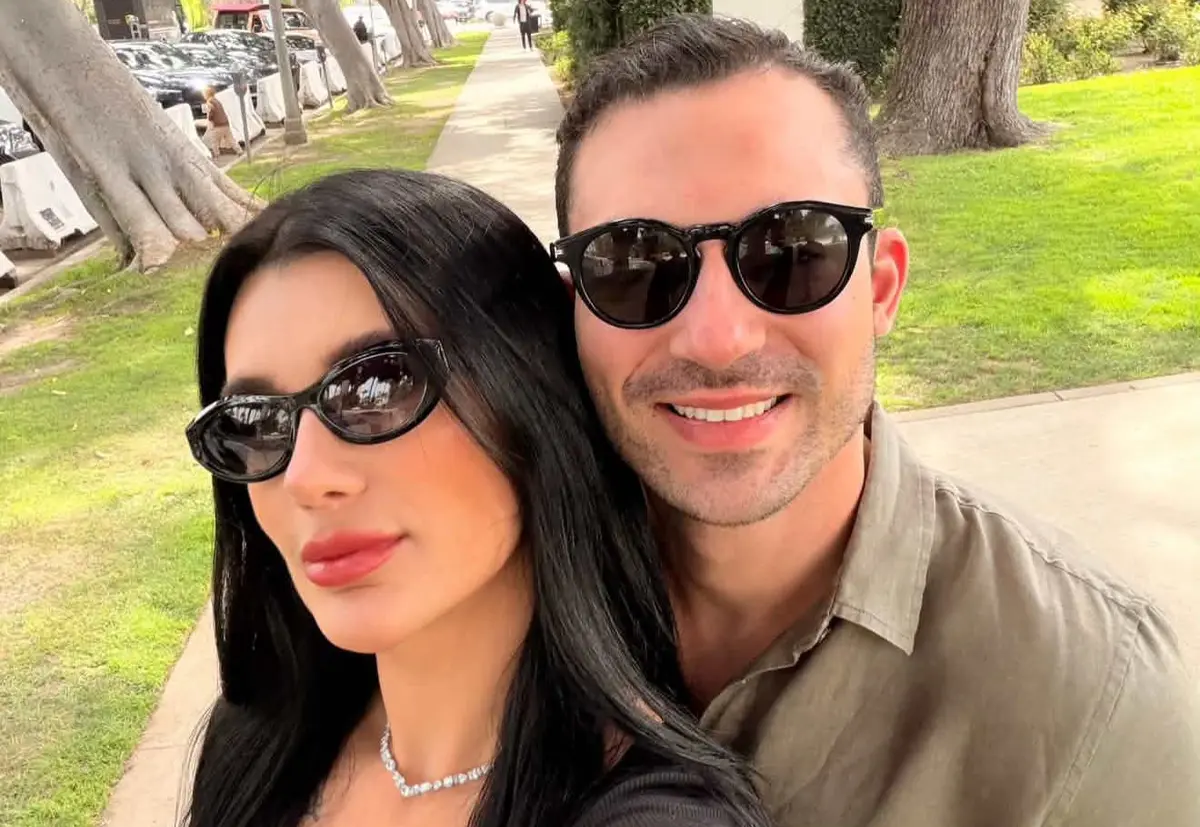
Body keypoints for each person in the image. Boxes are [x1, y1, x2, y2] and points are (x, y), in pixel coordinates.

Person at [551, 14, 1200, 827]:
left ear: (882, 288)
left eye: (792, 252)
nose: (718, 338)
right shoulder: (498, 604)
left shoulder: (1095, 704)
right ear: (575, 310)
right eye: (636, 264)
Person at [182, 169, 771, 827]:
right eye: (255, 422)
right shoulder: (255, 745)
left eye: (380, 386)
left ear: (529, 392)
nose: (305, 477)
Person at [202, 87, 239, 158]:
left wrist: (209, 118)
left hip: (217, 125)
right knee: (231, 140)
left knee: (214, 142)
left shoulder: (209, 102)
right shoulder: (217, 101)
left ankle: (216, 155)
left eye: (204, 94)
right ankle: (239, 151)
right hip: (225, 123)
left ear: (207, 94)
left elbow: (211, 113)